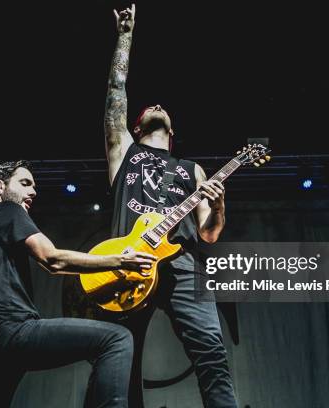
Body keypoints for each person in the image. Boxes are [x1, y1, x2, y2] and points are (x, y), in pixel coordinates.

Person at [102, 4, 238, 407]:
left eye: (163, 109)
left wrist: (220, 204)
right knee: (120, 359)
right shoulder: (123, 149)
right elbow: (116, 92)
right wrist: (124, 36)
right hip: (130, 259)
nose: (156, 102)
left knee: (211, 352)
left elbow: (209, 234)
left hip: (183, 262)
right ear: (138, 126)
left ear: (172, 130)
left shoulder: (193, 169)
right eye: (148, 110)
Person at [0, 160, 157, 408]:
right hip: (9, 330)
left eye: (34, 186)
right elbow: (52, 259)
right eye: (25, 183)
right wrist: (121, 261)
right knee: (116, 339)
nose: (33, 192)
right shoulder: (7, 209)